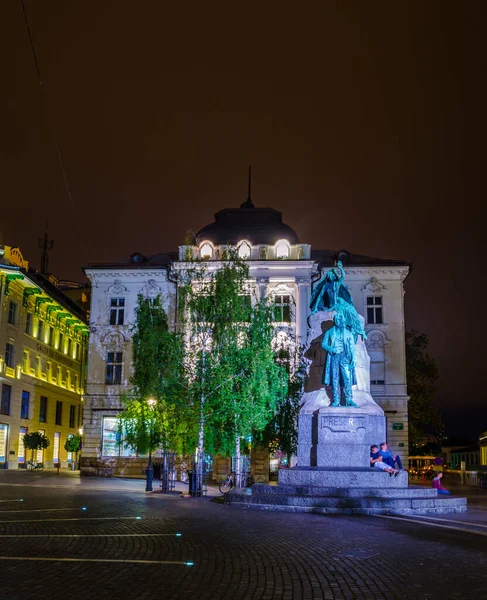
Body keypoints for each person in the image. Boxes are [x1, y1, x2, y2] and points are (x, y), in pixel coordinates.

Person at [322, 311, 357, 407]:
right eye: (337, 319)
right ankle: (336, 399)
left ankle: (349, 399)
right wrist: (331, 349)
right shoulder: (329, 332)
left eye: (340, 319)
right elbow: (324, 344)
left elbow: (352, 347)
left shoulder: (348, 333)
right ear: (334, 320)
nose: (339, 321)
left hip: (345, 356)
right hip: (334, 356)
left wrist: (353, 358)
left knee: (347, 378)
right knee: (335, 378)